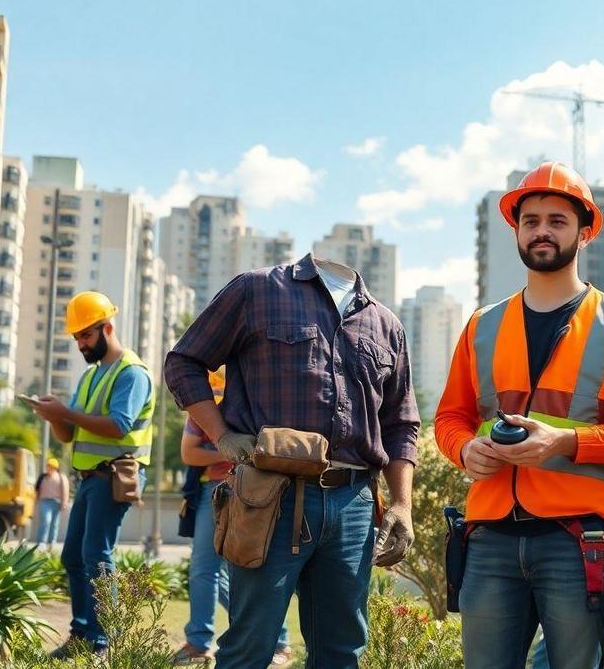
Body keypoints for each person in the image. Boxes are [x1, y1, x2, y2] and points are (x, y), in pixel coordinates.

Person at [434, 161, 604, 669]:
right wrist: (466, 450)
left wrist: (561, 443)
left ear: (585, 233)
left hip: (576, 540)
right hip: (489, 536)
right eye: (531, 220)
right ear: (516, 229)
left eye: (557, 220)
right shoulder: (481, 326)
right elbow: (449, 418)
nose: (541, 230)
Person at [164, 254, 420, 669]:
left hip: (354, 505)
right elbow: (184, 361)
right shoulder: (258, 290)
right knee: (251, 645)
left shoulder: (385, 323)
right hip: (269, 498)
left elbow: (401, 423)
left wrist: (402, 505)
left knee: (342, 650)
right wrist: (222, 434)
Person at [29, 291, 155, 658]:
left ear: (107, 328)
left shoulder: (132, 373)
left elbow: (119, 425)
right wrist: (55, 418)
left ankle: (103, 641)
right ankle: (83, 635)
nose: (81, 344)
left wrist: (66, 413)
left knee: (97, 554)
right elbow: (70, 434)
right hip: (89, 478)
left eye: (86, 335)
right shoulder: (89, 376)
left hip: (115, 475)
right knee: (73, 556)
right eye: (77, 338)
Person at [171, 368, 291, 665]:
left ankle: (278, 640)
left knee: (252, 567)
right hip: (216, 491)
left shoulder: (263, 400)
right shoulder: (203, 403)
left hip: (256, 492)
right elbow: (188, 454)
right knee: (204, 569)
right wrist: (231, 449)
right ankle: (198, 642)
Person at [34, 457, 69, 551]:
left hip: (57, 502)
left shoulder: (61, 477)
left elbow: (65, 490)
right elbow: (37, 489)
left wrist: (64, 502)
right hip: (45, 501)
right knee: (46, 520)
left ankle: (52, 543)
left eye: (51, 466)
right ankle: (41, 542)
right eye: (48, 466)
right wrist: (35, 501)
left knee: (54, 524)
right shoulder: (42, 477)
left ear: (56, 468)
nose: (49, 468)